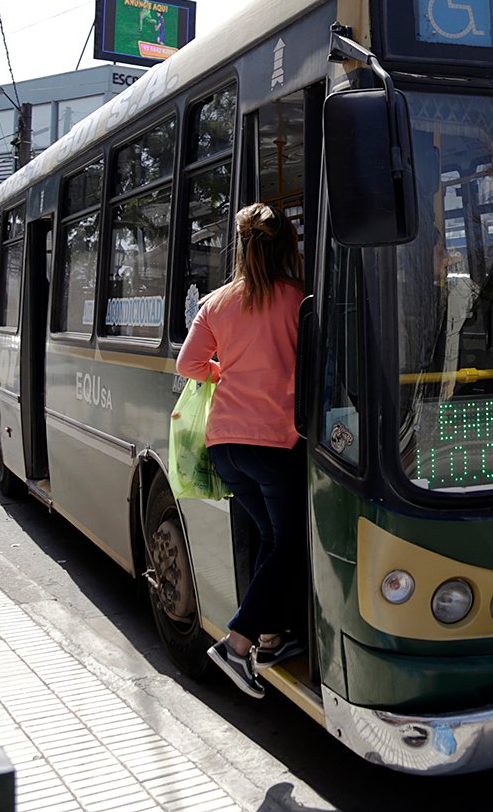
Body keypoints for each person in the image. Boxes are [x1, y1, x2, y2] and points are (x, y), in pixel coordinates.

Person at [177, 203, 305, 699]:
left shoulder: (217, 303)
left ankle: (270, 638)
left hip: (225, 445)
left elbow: (190, 365)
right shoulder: (298, 299)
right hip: (275, 444)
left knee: (272, 538)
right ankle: (236, 643)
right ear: (287, 248)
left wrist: (223, 373)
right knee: (287, 543)